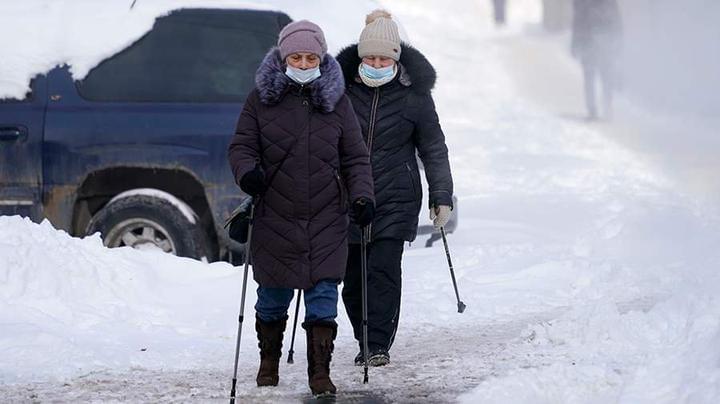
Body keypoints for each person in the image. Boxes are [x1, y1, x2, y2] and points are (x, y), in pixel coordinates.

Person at [227, 20, 375, 397]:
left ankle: (319, 372)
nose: (305, 64)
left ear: (321, 59)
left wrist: (362, 197)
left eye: (311, 58)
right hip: (275, 213)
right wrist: (248, 173)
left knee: (324, 293)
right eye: (297, 58)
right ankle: (268, 362)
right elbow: (241, 146)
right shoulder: (260, 100)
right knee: (272, 294)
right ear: (284, 58)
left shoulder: (338, 102)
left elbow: (355, 158)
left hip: (327, 214)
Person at [336, 10, 454, 367]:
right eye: (370, 58)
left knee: (383, 272)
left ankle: (376, 345)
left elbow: (433, 147)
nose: (376, 64)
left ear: (395, 59)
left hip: (396, 197)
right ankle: (363, 335)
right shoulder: (340, 91)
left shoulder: (414, 96)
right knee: (352, 281)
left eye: (383, 59)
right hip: (349, 197)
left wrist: (441, 195)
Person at [571, 0, 623, 120]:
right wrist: (619, 43)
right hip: (605, 43)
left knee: (590, 77)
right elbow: (617, 21)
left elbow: (578, 22)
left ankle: (593, 109)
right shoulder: (609, 3)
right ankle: (606, 107)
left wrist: (575, 44)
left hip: (589, 42)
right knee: (605, 77)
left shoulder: (582, 3)